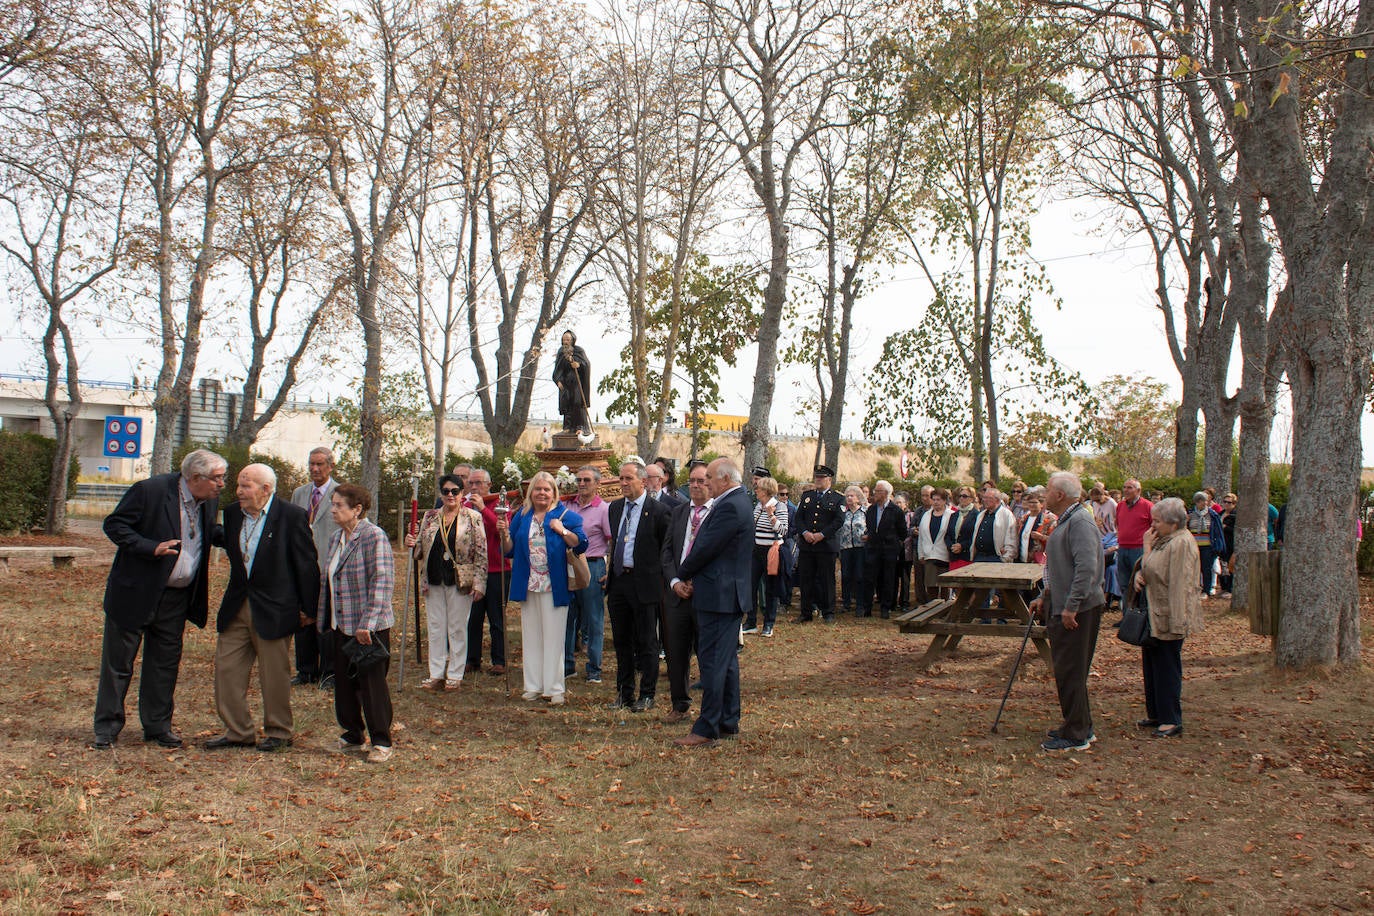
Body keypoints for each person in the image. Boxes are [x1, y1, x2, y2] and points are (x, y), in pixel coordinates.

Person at [92, 448, 227, 750]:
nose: (222, 485)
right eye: (217, 479)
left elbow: (207, 533)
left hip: (177, 598)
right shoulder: (150, 490)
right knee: (119, 664)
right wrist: (150, 547)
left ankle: (157, 726)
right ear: (195, 477)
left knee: (164, 663)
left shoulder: (209, 500)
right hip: (136, 591)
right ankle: (107, 727)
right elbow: (115, 525)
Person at [208, 463, 319, 752]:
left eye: (246, 486)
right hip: (237, 606)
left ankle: (279, 732)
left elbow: (306, 565)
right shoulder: (233, 514)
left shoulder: (291, 516)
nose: (238, 491)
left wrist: (308, 609)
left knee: (274, 674)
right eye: (239, 485)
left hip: (276, 608)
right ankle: (238, 732)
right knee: (227, 669)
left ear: (265, 489)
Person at [669, 458, 752, 747]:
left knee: (714, 663)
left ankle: (706, 728)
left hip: (720, 595)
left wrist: (682, 574)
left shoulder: (730, 505)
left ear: (726, 480)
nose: (706, 483)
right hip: (724, 593)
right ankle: (728, 720)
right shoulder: (737, 501)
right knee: (726, 662)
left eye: (710, 479)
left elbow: (705, 547)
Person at [497, 471, 587, 705]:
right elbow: (509, 549)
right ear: (531, 492)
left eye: (547, 489)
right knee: (532, 636)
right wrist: (504, 534)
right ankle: (533, 685)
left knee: (554, 637)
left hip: (554, 584)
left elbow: (581, 543)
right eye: (538, 489)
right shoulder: (523, 515)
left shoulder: (565, 515)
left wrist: (562, 530)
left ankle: (554, 688)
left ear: (554, 492)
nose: (542, 493)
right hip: (529, 584)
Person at [320, 484, 396, 763]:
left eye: (339, 505)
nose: (333, 510)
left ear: (357, 510)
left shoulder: (373, 536)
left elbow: (382, 581)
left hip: (368, 627)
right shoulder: (335, 539)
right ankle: (352, 735)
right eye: (333, 504)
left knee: (371, 685)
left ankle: (381, 741)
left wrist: (368, 623)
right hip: (341, 622)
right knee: (344, 684)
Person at [1030, 473, 1106, 752]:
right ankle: (1078, 724)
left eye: (1048, 490)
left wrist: (1071, 606)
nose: (1044, 494)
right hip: (1063, 605)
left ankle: (1077, 735)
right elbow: (1061, 568)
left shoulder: (1080, 522)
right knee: (1068, 670)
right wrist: (1044, 595)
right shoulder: (1069, 519)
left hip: (1077, 610)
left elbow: (1086, 569)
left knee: (1071, 670)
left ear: (1060, 495)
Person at [405, 474, 487, 691]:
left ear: (462, 494)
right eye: (446, 491)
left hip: (459, 578)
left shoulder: (472, 517)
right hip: (433, 577)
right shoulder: (430, 516)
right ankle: (436, 673)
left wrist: (480, 583)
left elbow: (481, 551)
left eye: (455, 491)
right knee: (435, 626)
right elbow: (420, 549)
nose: (450, 495)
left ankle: (455, 673)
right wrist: (411, 542)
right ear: (440, 494)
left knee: (457, 627)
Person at [1132, 497, 1205, 738]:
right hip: (1156, 614)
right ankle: (1156, 713)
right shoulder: (1165, 540)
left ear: (1173, 523)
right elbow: (1149, 569)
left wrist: (1146, 549)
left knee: (1166, 667)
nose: (1152, 526)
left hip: (1170, 616)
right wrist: (1139, 574)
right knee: (1152, 665)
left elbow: (1174, 580)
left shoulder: (1181, 543)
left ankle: (1171, 719)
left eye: (1157, 521)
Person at [604, 461, 671, 712]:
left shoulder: (658, 511)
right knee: (621, 641)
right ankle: (624, 693)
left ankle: (647, 694)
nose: (623, 483)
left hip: (645, 584)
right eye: (620, 478)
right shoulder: (615, 508)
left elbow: (666, 550)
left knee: (646, 641)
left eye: (628, 479)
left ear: (643, 481)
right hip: (619, 582)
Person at [661, 461, 712, 724]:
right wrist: (675, 582)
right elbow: (668, 551)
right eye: (691, 480)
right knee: (676, 653)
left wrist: (697, 583)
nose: (695, 485)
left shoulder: (717, 514)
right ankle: (679, 705)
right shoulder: (680, 512)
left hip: (705, 596)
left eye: (701, 481)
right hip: (677, 595)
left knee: (707, 654)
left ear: (711, 484)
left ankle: (711, 708)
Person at [289, 447, 340, 687]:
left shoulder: (339, 494)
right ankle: (306, 670)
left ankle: (329, 671)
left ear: (330, 466)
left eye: (320, 464)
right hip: (303, 567)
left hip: (328, 565)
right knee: (303, 618)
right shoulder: (300, 494)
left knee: (327, 621)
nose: (315, 469)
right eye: (311, 464)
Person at [564, 466, 612, 684]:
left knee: (593, 619)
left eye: (586, 480)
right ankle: (566, 666)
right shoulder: (566, 505)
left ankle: (594, 668)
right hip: (567, 566)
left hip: (592, 565)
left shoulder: (603, 509)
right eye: (579, 479)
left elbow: (612, 541)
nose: (582, 484)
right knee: (567, 618)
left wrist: (609, 569)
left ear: (597, 484)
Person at [465, 469, 511, 677]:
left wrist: (483, 509)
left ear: (489, 484)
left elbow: (499, 530)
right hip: (473, 571)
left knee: (496, 618)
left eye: (479, 483)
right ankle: (471, 659)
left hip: (497, 569)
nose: (474, 487)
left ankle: (499, 660)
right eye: (471, 483)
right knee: (473, 618)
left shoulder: (500, 505)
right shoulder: (464, 506)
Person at [793, 465, 845, 622]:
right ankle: (806, 612)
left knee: (827, 579)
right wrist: (805, 533)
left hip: (826, 545)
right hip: (807, 545)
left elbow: (839, 520)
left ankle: (828, 612)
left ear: (829, 479)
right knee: (806, 579)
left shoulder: (837, 498)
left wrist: (822, 534)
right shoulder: (807, 496)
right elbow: (799, 518)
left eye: (821, 477)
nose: (818, 480)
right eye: (816, 477)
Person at [744, 474, 789, 636]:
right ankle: (750, 622)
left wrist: (771, 516)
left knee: (771, 588)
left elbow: (783, 530)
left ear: (767, 491)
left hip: (771, 551)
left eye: (760, 488)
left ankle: (768, 624)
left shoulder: (779, 506)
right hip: (756, 550)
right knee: (750, 586)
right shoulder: (758, 506)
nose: (756, 490)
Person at [862, 480, 907, 619]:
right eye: (875, 490)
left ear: (886, 493)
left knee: (888, 579)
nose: (875, 493)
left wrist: (894, 544)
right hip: (873, 549)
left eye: (878, 491)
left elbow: (902, 532)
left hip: (889, 550)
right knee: (869, 578)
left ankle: (885, 607)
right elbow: (870, 527)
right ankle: (867, 607)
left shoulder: (896, 511)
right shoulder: (871, 509)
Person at [1115, 479, 1154, 604]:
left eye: (1130, 487)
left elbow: (1154, 527)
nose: (1126, 490)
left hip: (1139, 550)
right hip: (1122, 548)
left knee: (1139, 585)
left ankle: (1141, 618)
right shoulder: (1120, 506)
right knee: (1124, 584)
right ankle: (1127, 618)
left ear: (1138, 490)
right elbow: (1118, 524)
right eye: (1124, 487)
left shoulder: (1148, 506)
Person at [915, 487, 956, 600]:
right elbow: (922, 537)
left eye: (938, 499)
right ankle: (932, 608)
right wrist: (921, 554)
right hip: (929, 555)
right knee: (931, 584)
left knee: (945, 586)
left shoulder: (951, 515)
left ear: (944, 501)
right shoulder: (926, 515)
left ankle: (945, 609)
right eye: (934, 499)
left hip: (944, 556)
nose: (936, 502)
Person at [1186, 491, 1226, 596]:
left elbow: (1217, 531)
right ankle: (1195, 588)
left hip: (1207, 546)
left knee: (1206, 568)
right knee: (1194, 568)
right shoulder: (1190, 514)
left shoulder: (1212, 515)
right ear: (1197, 502)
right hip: (1194, 546)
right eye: (1201, 501)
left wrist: (1218, 545)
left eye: (1205, 501)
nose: (1204, 503)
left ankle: (1206, 590)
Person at [553, 330, 592, 432]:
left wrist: (579, 364)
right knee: (567, 403)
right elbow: (558, 368)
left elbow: (586, 364)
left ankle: (581, 427)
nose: (566, 341)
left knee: (577, 402)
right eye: (564, 339)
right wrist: (558, 380)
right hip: (565, 382)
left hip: (577, 382)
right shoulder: (561, 352)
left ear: (572, 340)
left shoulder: (579, 350)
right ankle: (567, 427)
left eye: (568, 339)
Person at [836, 486, 867, 615]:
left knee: (859, 575)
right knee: (846, 575)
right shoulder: (843, 513)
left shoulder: (864, 512)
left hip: (860, 548)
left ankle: (860, 604)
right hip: (846, 548)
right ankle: (846, 603)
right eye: (847, 496)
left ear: (858, 498)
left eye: (852, 496)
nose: (849, 498)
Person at [1017, 486, 1057, 565]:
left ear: (1041, 504)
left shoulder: (1049, 519)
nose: (1032, 505)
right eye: (1030, 502)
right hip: (1022, 560)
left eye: (1035, 502)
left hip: (1040, 561)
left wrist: (1041, 537)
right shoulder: (1024, 518)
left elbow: (1056, 540)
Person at [947, 486, 979, 571]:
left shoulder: (977, 515)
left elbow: (975, 537)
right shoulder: (954, 515)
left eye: (964, 496)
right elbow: (947, 535)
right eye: (960, 496)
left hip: (967, 557)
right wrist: (952, 546)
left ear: (972, 498)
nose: (961, 498)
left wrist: (962, 546)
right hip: (954, 556)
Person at [1218, 493, 1237, 597]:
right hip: (1221, 544)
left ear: (1234, 504)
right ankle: (1223, 587)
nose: (1226, 504)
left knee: (1230, 566)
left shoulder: (1236, 515)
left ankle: (1230, 589)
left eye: (1229, 502)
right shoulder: (1220, 514)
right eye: (1224, 502)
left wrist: (1226, 527)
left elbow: (1237, 531)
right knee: (1222, 566)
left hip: (1231, 544)